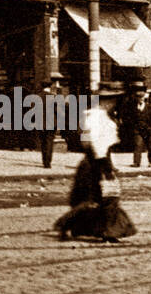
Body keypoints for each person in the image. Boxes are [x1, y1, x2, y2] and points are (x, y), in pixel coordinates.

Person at [55, 94, 136, 243]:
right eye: (111, 101)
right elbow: (96, 143)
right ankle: (104, 230)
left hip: (99, 160)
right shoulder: (97, 117)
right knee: (104, 198)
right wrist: (106, 167)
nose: (113, 104)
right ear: (105, 101)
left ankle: (103, 230)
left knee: (101, 199)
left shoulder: (100, 116)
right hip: (96, 162)